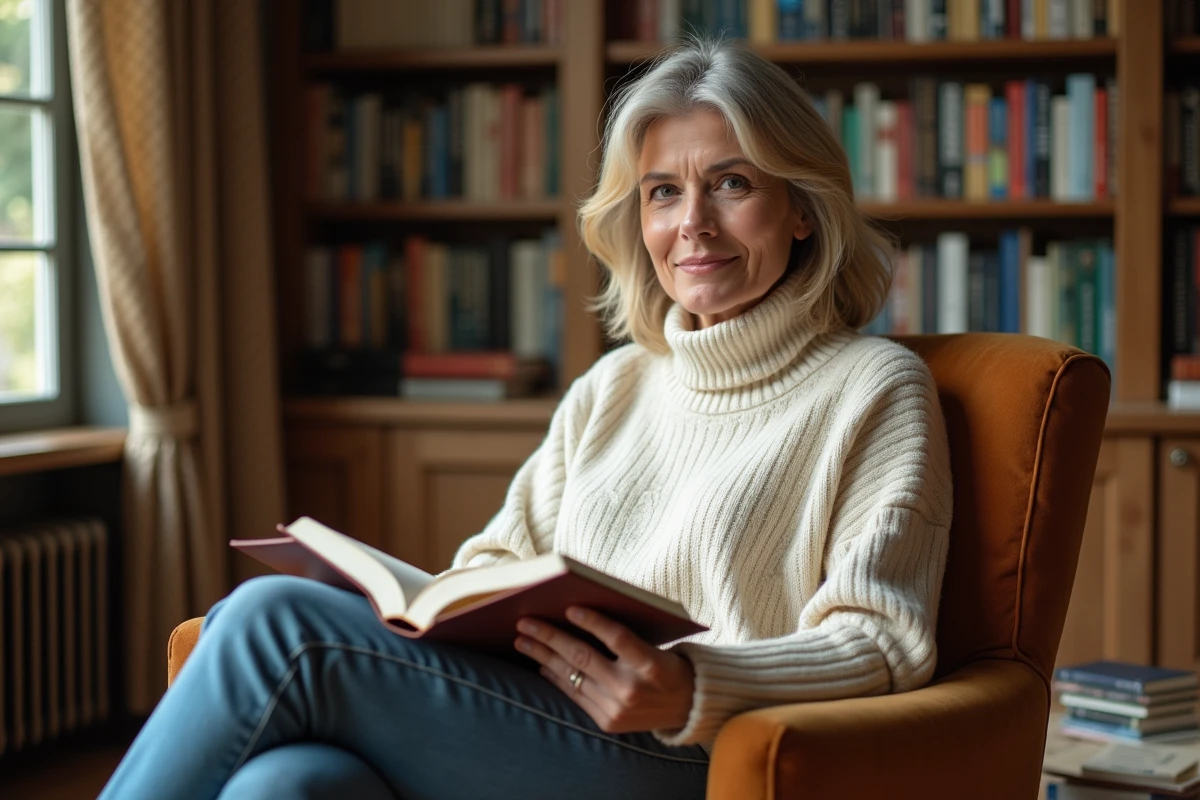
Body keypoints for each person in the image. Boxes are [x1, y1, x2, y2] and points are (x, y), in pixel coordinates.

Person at [99, 36, 952, 800]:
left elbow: (883, 640)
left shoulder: (873, 387)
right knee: (288, 784)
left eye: (731, 184)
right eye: (662, 192)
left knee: (270, 624)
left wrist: (693, 683)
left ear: (802, 207)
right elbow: (495, 563)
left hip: (697, 752)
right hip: (546, 724)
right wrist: (419, 605)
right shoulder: (614, 387)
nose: (691, 225)